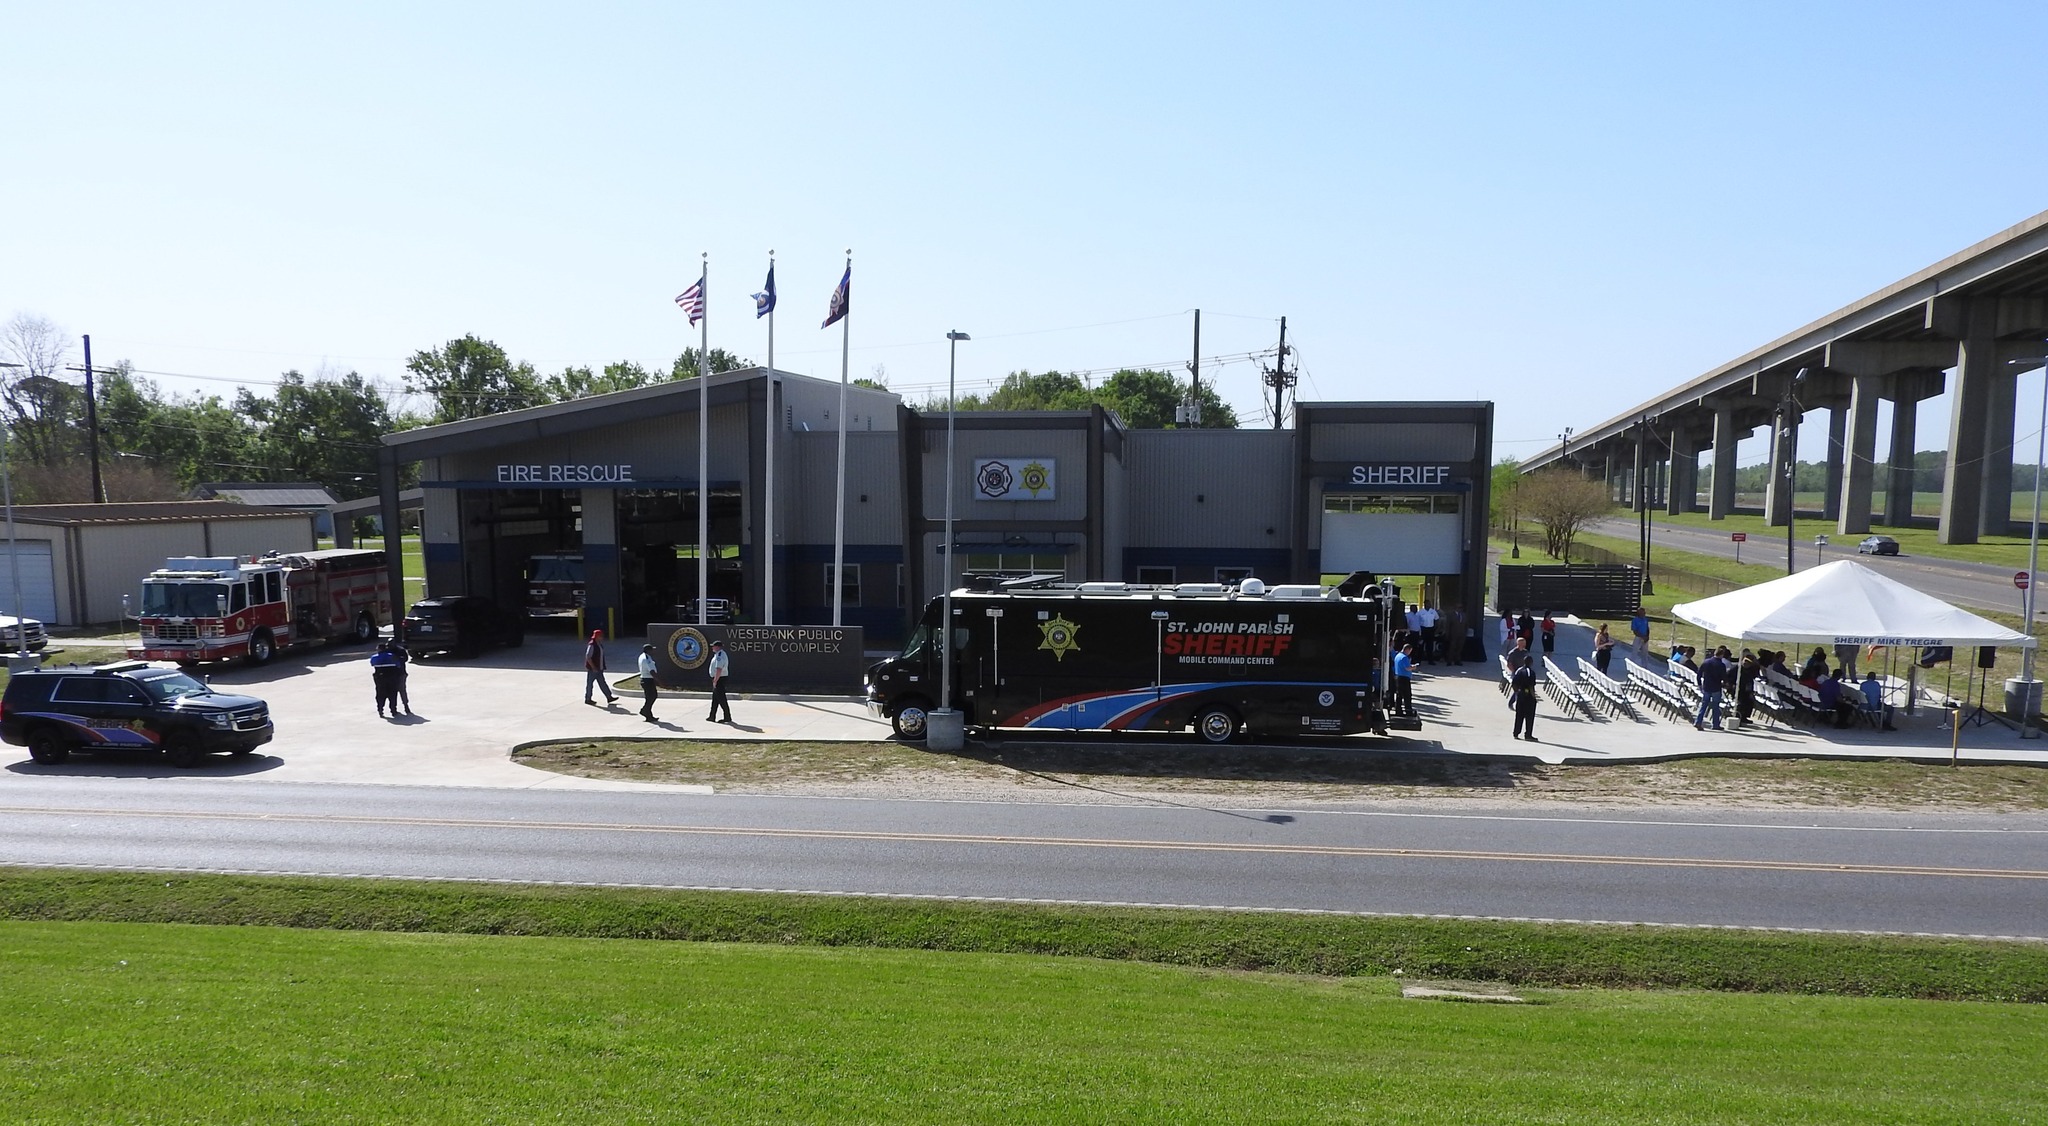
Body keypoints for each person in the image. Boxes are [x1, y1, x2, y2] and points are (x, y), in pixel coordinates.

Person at [1694, 646, 1729, 731]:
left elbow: (1699, 674)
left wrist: (1699, 684)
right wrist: (1726, 684)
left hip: (1706, 686)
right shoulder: (1721, 665)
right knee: (1715, 706)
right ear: (1722, 655)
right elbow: (1724, 677)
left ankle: (1698, 721)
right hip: (1716, 687)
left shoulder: (1706, 662)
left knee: (1704, 705)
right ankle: (1715, 724)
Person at [584, 629, 618, 707]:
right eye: (601, 636)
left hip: (599, 668)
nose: (602, 637)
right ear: (597, 636)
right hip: (593, 669)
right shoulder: (592, 645)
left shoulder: (598, 644)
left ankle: (609, 697)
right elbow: (588, 657)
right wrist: (593, 667)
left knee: (602, 683)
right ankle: (588, 699)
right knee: (590, 684)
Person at [369, 641, 401, 717]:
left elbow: (372, 664)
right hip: (392, 677)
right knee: (393, 693)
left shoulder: (374, 657)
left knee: (380, 694)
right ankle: (393, 710)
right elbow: (398, 665)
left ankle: (380, 710)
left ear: (378, 649)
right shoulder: (392, 656)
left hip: (380, 677)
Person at [1510, 660, 1539, 741]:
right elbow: (1531, 687)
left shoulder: (1519, 671)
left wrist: (1517, 692)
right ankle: (1528, 734)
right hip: (1528, 696)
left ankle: (1516, 733)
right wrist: (1534, 697)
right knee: (1529, 716)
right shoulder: (1531, 673)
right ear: (1531, 663)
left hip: (1520, 694)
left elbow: (1514, 684)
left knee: (1519, 715)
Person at [705, 639, 733, 723]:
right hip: (718, 678)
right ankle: (712, 716)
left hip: (719, 679)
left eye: (713, 646)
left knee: (721, 698)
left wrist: (715, 680)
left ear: (717, 647)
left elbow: (719, 669)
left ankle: (727, 716)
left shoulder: (720, 655)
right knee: (715, 699)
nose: (712, 647)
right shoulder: (718, 654)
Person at [1734, 649, 1759, 729]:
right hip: (1739, 689)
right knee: (1740, 705)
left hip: (1747, 690)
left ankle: (1744, 717)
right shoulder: (1737, 669)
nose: (1746, 664)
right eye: (1745, 662)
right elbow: (1729, 677)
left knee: (1749, 703)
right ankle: (1738, 719)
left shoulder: (1750, 670)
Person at [389, 633, 412, 716]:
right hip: (390, 675)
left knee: (402, 690)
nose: (389, 646)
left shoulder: (400, 650)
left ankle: (406, 706)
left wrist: (396, 660)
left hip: (400, 674)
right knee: (392, 691)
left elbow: (405, 659)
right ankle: (393, 708)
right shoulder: (387, 650)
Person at [637, 644, 660, 724]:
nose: (653, 651)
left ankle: (649, 715)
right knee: (652, 696)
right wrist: (660, 681)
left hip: (645, 679)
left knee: (650, 697)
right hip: (648, 680)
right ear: (648, 651)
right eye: (652, 650)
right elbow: (652, 672)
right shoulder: (647, 659)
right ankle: (644, 710)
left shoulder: (642, 656)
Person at [1390, 643, 1415, 718]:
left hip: (1398, 677)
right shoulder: (1404, 657)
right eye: (1410, 651)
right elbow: (1407, 668)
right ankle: (1408, 711)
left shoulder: (1397, 656)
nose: (1409, 653)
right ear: (1407, 649)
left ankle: (1398, 710)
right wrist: (1413, 667)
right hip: (1404, 678)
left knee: (1399, 695)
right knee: (1407, 695)